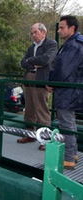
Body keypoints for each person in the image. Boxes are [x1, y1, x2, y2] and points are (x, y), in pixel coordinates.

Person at [48, 15, 83, 170]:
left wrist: (51, 82)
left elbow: (63, 69)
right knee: (70, 123)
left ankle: (68, 158)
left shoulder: (73, 45)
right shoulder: (74, 43)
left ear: (72, 28)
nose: (59, 30)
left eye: (62, 27)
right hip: (72, 89)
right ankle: (73, 153)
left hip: (67, 90)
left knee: (66, 124)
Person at [16, 23, 57, 151]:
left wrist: (30, 61)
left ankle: (45, 139)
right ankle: (30, 134)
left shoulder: (51, 44)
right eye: (32, 33)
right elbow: (23, 62)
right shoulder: (31, 46)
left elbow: (46, 60)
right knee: (29, 108)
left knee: (42, 109)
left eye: (35, 32)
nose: (33, 35)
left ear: (43, 32)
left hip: (41, 79)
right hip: (29, 78)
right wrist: (32, 63)